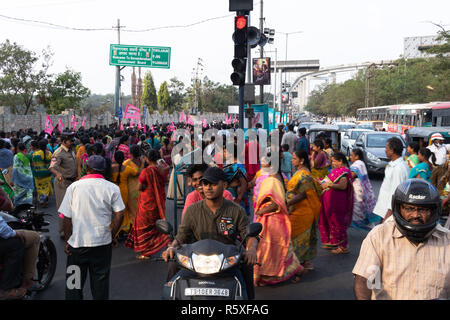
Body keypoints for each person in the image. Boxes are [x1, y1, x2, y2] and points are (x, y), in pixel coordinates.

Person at [162, 167, 258, 300]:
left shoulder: (236, 211)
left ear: (224, 185)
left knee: (247, 269)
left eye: (213, 184)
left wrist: (251, 250)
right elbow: (181, 235)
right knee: (173, 266)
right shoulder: (192, 210)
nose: (208, 187)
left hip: (227, 262)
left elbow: (249, 235)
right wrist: (172, 247)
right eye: (205, 184)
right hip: (195, 261)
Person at [353, 179, 450, 300]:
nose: (415, 215)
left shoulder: (447, 240)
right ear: (399, 208)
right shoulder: (379, 236)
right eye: (409, 208)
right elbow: (363, 279)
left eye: (423, 209)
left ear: (433, 211)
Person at [59, 155, 125, 300]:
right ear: (103, 170)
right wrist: (112, 235)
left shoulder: (73, 187)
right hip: (102, 244)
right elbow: (120, 214)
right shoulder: (112, 188)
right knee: (100, 286)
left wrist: (68, 240)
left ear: (87, 169)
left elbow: (66, 218)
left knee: (73, 286)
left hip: (77, 246)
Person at [253, 166, 305, 286]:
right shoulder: (275, 179)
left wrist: (260, 211)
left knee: (273, 249)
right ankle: (266, 276)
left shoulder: (273, 181)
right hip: (268, 220)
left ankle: (298, 270)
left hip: (273, 220)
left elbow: (276, 204)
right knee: (268, 249)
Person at [125, 149, 170, 259]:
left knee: (143, 226)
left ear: (147, 159)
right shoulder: (161, 169)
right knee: (154, 225)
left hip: (147, 202)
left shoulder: (146, 171)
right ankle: (161, 244)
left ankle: (146, 252)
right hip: (158, 200)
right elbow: (166, 180)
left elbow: (140, 186)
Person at [286, 150, 322, 271]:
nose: (292, 160)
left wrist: (289, 202)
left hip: (302, 211)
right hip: (297, 209)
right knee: (302, 237)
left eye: (294, 158)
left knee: (301, 237)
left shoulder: (304, 175)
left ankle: (300, 264)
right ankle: (303, 262)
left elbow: (304, 194)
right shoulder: (299, 172)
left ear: (302, 160)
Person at [318, 152, 354, 254]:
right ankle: (333, 242)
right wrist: (321, 182)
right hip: (331, 201)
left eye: (334, 161)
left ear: (340, 161)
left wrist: (328, 185)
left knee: (338, 223)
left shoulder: (344, 172)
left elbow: (343, 186)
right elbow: (329, 182)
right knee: (332, 221)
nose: (332, 163)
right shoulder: (336, 171)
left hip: (338, 202)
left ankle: (343, 246)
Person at [372, 137, 410, 222]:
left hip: (389, 213)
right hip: (385, 211)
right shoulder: (395, 165)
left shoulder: (398, 168)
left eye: (386, 148)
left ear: (392, 150)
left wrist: (388, 215)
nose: (385, 150)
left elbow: (395, 193)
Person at [49, 133, 78, 239]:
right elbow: (52, 167)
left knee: (73, 207)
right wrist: (58, 174)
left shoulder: (71, 150)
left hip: (72, 182)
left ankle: (70, 227)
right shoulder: (58, 153)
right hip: (63, 183)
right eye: (70, 140)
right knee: (63, 208)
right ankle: (62, 231)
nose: (72, 142)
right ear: (64, 141)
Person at [111, 150, 139, 237]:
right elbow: (137, 173)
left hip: (113, 191)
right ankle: (123, 229)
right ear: (123, 158)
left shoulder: (110, 168)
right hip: (124, 191)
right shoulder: (127, 169)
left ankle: (113, 230)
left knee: (114, 211)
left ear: (114, 158)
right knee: (123, 210)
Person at [349, 149, 377, 231]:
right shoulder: (361, 163)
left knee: (358, 208)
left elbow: (351, 175)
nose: (350, 157)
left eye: (351, 155)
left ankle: (366, 224)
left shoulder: (358, 164)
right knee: (361, 208)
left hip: (358, 189)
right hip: (362, 188)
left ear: (357, 156)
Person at [11, 143, 34, 208]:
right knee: (28, 195)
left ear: (18, 149)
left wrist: (12, 180)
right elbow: (31, 166)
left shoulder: (17, 156)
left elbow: (15, 169)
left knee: (19, 196)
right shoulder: (29, 155)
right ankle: (29, 208)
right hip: (29, 178)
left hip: (19, 179)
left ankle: (19, 210)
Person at [31, 139, 53, 208]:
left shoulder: (35, 154)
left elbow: (33, 165)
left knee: (40, 188)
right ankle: (45, 200)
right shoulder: (49, 153)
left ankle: (43, 201)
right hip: (47, 174)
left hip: (38, 175)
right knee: (46, 187)